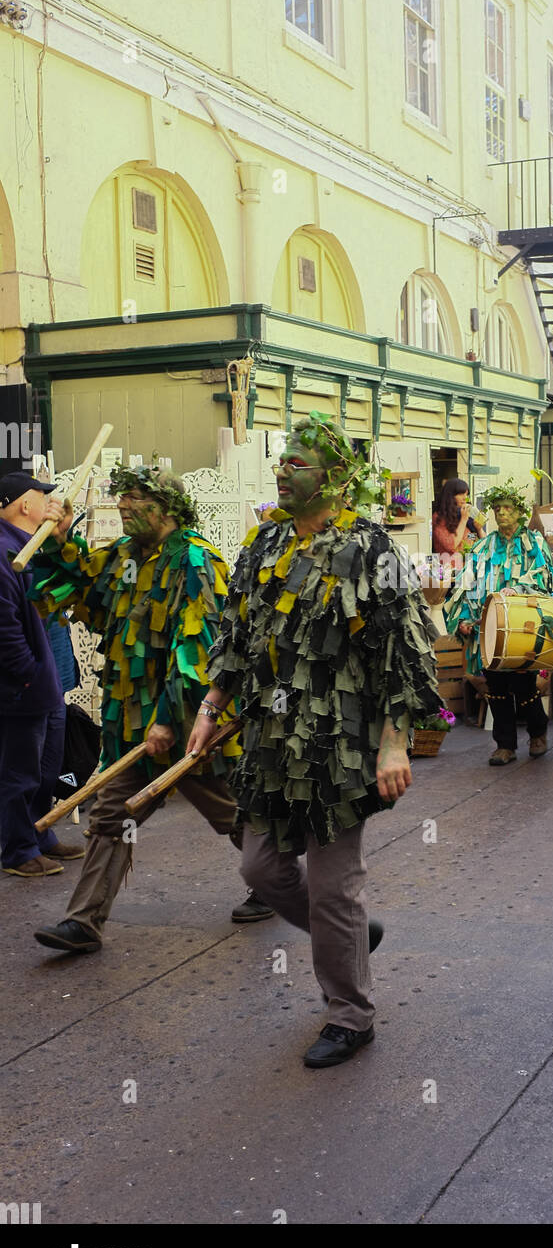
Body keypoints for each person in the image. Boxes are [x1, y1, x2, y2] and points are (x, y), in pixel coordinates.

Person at [189, 416, 440, 1069]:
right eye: (282, 461)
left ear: (331, 477)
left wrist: (393, 743)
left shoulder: (370, 549)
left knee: (332, 889)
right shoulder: (263, 543)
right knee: (260, 869)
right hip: (272, 741)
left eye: (296, 464)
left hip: (341, 746)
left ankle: (350, 1014)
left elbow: (405, 654)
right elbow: (233, 636)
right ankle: (350, 934)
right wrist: (211, 706)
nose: (282, 470)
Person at [31, 463, 260, 955]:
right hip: (134, 724)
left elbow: (201, 653)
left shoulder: (197, 562)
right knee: (112, 815)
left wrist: (167, 720)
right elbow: (82, 588)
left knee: (231, 816)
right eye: (122, 496)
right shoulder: (123, 558)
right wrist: (60, 534)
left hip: (189, 726)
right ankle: (84, 921)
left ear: (169, 508)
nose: (125, 505)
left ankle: (278, 878)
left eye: (137, 497)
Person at [0, 472, 82, 877]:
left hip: (47, 681)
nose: (50, 502)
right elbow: (5, 626)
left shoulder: (32, 548)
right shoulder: (4, 551)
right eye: (42, 496)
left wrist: (63, 534)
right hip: (23, 687)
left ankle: (39, 831)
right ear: (24, 505)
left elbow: (69, 583)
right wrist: (27, 675)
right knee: (20, 768)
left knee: (47, 764)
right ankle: (18, 849)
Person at [444, 478, 553, 766]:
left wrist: (518, 590)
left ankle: (537, 732)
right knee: (495, 686)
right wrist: (465, 618)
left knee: (523, 686)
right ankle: (504, 745)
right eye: (497, 508)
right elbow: (467, 585)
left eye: (508, 508)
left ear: (520, 512)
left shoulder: (534, 543)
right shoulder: (483, 547)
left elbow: (545, 582)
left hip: (522, 628)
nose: (502, 513)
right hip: (489, 631)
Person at [431, 477, 472, 577]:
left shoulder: (461, 516)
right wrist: (463, 520)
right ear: (450, 496)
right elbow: (451, 545)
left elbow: (472, 539)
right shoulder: (439, 518)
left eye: (466, 494)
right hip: (448, 573)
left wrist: (478, 528)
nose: (464, 498)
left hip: (466, 571)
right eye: (461, 494)